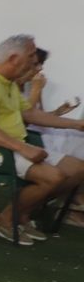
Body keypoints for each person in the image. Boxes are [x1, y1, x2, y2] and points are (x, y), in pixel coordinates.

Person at [0, 35, 84, 244]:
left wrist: (77, 124)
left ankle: (23, 213)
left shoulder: (6, 84)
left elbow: (31, 115)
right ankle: (4, 219)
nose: (34, 63)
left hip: (10, 146)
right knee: (53, 177)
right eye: (31, 57)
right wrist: (23, 148)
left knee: (78, 169)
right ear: (14, 58)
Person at [22, 47, 84, 214]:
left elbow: (38, 116)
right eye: (37, 64)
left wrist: (59, 111)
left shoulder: (30, 85)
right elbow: (26, 118)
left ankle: (73, 194)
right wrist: (36, 89)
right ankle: (71, 195)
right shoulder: (15, 87)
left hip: (40, 130)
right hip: (28, 137)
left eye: (41, 64)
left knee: (79, 137)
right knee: (78, 140)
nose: (40, 69)